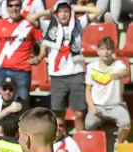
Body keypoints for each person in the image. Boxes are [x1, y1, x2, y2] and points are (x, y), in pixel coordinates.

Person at [31, 2, 100, 131]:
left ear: (70, 13)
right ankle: (61, 139)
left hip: (76, 72)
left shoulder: (79, 23)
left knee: (79, 112)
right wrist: (48, 12)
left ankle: (79, 138)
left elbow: (97, 11)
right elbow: (30, 18)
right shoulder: (48, 25)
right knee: (58, 112)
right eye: (60, 11)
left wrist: (77, 8)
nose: (63, 14)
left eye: (66, 11)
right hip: (57, 75)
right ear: (56, 13)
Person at [0, 0, 42, 103]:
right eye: (11, 6)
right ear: (7, 8)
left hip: (22, 71)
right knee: (0, 104)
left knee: (22, 104)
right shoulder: (0, 24)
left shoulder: (29, 24)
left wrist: (39, 57)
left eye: (17, 5)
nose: (14, 8)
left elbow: (42, 44)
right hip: (1, 70)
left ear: (21, 6)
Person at [85, 37, 129, 152]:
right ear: (98, 51)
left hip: (116, 105)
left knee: (126, 124)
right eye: (103, 49)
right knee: (88, 125)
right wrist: (91, 107)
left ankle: (118, 145)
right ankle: (98, 147)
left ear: (113, 51)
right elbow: (88, 90)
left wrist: (117, 74)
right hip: (98, 106)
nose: (106, 52)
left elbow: (126, 72)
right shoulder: (91, 67)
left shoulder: (118, 64)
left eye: (108, 49)